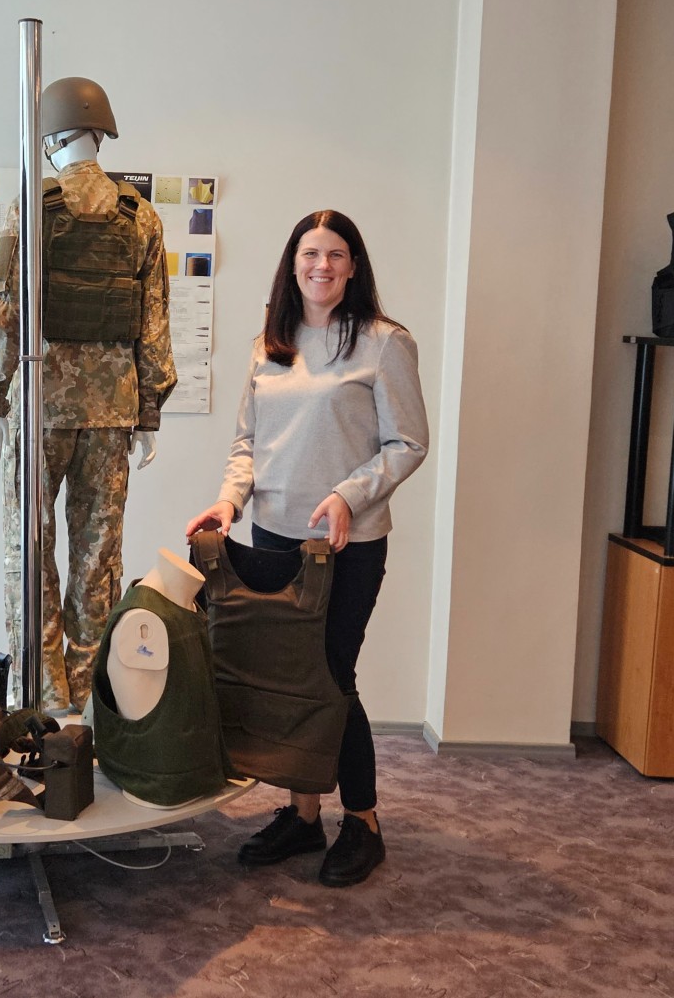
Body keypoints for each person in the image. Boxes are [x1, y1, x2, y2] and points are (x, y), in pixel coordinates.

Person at [185, 210, 428, 888]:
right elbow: (247, 444)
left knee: (330, 678)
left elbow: (408, 442)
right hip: (272, 536)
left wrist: (349, 495)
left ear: (354, 267)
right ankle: (302, 815)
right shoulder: (270, 345)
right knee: (289, 679)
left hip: (348, 544)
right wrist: (229, 501)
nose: (322, 266)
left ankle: (364, 822)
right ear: (292, 265)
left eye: (336, 254)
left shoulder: (385, 343)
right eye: (310, 254)